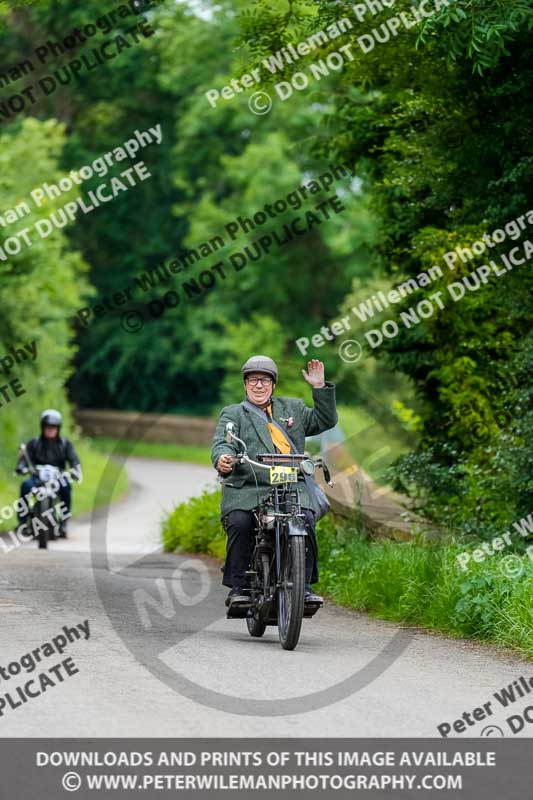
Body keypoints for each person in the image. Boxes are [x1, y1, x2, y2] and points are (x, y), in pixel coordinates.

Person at [211, 355, 338, 608]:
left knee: (306, 518)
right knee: (239, 522)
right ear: (245, 384)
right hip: (249, 486)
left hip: (291, 484)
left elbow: (325, 421)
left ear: (273, 385)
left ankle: (303, 587)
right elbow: (222, 442)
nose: (259, 385)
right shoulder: (233, 414)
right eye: (253, 380)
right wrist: (223, 458)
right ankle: (239, 587)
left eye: (265, 380)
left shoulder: (293, 409)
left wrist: (319, 388)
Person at [15, 409, 82, 539]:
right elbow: (24, 459)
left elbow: (74, 459)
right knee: (25, 486)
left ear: (58, 428)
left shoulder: (65, 444)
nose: (50, 430)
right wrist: (21, 467)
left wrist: (75, 470)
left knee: (66, 487)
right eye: (48, 427)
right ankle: (22, 523)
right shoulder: (34, 443)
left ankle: (63, 523)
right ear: (43, 427)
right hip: (37, 478)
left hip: (58, 478)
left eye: (53, 427)